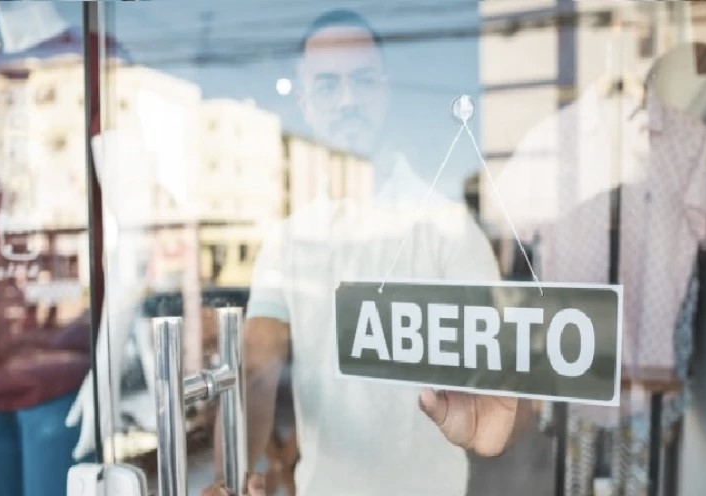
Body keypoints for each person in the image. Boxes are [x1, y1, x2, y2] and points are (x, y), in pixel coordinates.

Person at [205, 9, 534, 496]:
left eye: (362, 81)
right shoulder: (289, 238)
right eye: (327, 85)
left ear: (384, 90)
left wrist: (506, 423)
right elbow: (257, 366)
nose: (347, 99)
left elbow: (512, 383)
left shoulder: (448, 228)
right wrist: (231, 476)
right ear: (304, 99)